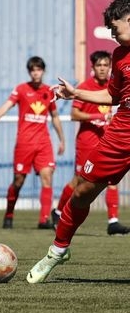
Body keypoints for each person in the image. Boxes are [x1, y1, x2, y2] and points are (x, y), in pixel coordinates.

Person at [27, 0, 130, 283]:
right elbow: (112, 95)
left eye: (114, 28)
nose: (111, 35)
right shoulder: (120, 56)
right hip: (123, 127)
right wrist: (76, 94)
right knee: (83, 191)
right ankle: (57, 251)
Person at [0, 56, 65, 229]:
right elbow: (6, 106)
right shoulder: (21, 89)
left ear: (43, 71)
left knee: (47, 177)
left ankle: (44, 220)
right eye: (33, 70)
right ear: (29, 72)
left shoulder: (49, 91)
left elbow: (55, 117)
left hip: (43, 143)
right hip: (24, 144)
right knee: (18, 181)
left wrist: (62, 140)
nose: (36, 73)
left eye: (39, 69)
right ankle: (9, 213)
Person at [53, 50, 130, 235]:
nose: (102, 69)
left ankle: (113, 221)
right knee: (79, 181)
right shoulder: (86, 86)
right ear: (93, 68)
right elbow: (74, 114)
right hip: (87, 142)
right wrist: (98, 116)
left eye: (105, 65)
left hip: (108, 140)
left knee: (112, 182)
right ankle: (57, 212)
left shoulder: (115, 86)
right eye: (99, 65)